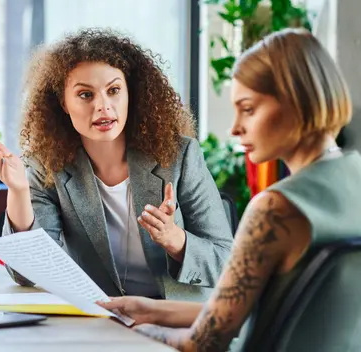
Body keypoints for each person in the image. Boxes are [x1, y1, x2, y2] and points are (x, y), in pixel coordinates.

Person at [97, 28, 361, 351]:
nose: (235, 127)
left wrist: (138, 332)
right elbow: (250, 312)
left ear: (296, 100)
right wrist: (151, 309)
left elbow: (205, 342)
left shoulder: (276, 209)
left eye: (248, 108)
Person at [0, 29, 233, 301]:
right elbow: (30, 274)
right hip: (101, 322)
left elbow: (226, 262)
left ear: (131, 94)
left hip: (174, 325)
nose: (103, 106)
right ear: (63, 103)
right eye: (85, 95)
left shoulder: (180, 156)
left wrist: (176, 240)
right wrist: (18, 191)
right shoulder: (48, 167)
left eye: (113, 91)